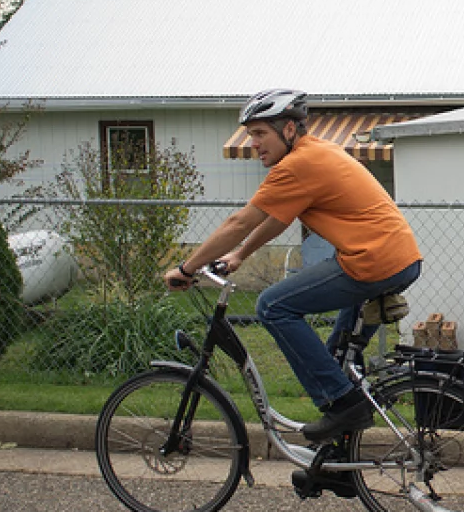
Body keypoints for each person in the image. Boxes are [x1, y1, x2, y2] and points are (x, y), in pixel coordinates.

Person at [164, 89, 422, 442]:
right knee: (335, 360)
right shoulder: (317, 152)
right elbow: (278, 219)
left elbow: (240, 222)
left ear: (288, 130)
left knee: (272, 306)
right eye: (250, 134)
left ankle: (345, 405)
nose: (253, 143)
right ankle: (343, 458)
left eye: (260, 134)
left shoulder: (298, 166)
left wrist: (188, 268)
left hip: (370, 262)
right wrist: (240, 255)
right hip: (398, 259)